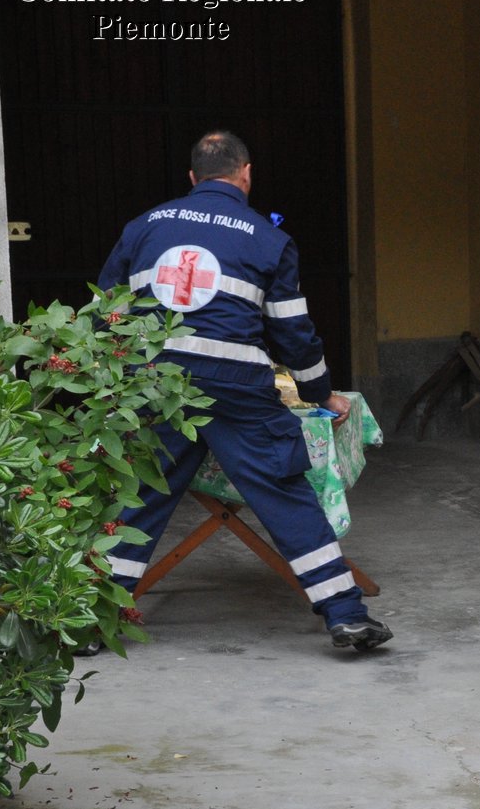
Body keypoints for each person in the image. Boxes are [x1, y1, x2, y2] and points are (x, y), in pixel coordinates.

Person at [95, 131, 391, 653]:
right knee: (284, 493)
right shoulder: (266, 237)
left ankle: (91, 624)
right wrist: (322, 395)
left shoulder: (142, 227)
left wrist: (119, 390)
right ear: (246, 173)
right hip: (237, 390)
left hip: (157, 388)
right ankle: (345, 616)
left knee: (139, 497)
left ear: (192, 177)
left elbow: (106, 317)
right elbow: (294, 335)